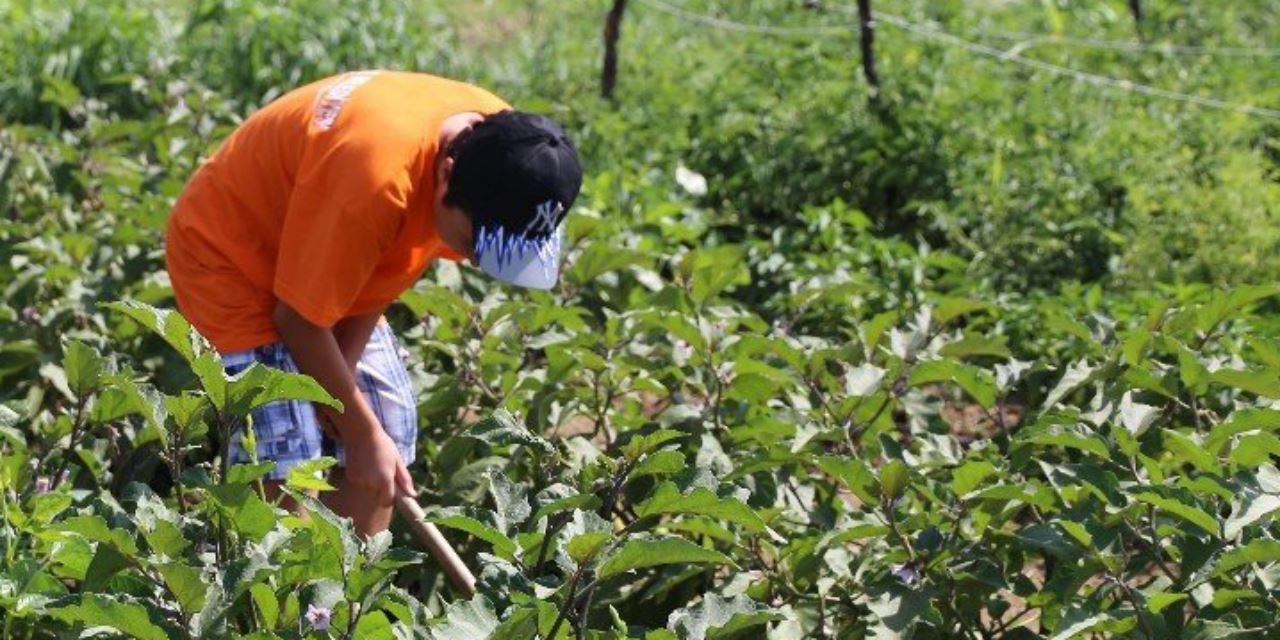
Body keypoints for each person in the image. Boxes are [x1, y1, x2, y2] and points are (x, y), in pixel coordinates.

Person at [164, 70, 583, 535]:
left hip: (327, 250)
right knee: (284, 455)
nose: (477, 263)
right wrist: (358, 431)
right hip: (232, 255)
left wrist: (344, 408)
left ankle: (338, 597)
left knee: (389, 427)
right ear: (444, 176)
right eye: (471, 244)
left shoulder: (507, 151)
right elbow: (298, 320)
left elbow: (383, 271)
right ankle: (273, 592)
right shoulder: (376, 176)